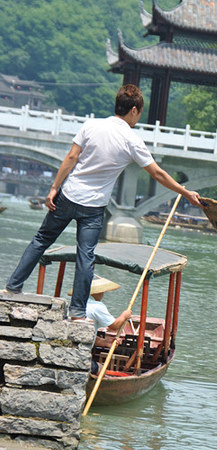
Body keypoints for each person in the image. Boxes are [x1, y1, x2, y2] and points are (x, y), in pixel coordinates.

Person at [5, 84, 201, 318]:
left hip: (69, 195)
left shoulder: (91, 125)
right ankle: (78, 311)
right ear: (135, 110)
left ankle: (13, 287)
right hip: (94, 207)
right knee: (85, 255)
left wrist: (54, 187)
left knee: (41, 240)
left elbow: (71, 157)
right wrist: (185, 192)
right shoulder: (132, 140)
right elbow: (157, 174)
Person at [72, 274, 131, 375]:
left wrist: (106, 342)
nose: (103, 293)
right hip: (79, 355)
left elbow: (86, 336)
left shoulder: (77, 303)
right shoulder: (97, 306)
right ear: (97, 292)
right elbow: (114, 326)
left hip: (73, 350)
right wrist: (124, 315)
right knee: (102, 370)